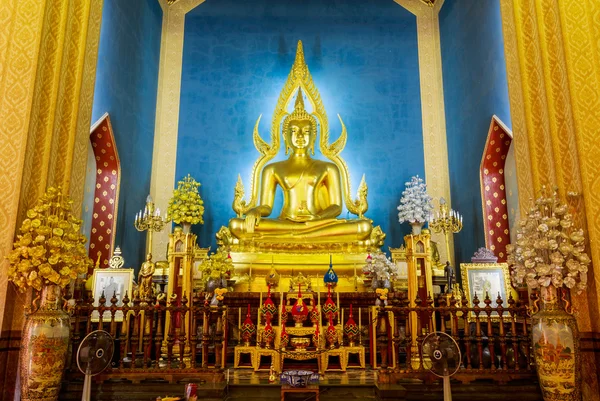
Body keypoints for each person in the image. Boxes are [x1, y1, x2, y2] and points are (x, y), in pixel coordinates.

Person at [229, 89, 372, 243]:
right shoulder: (272, 169)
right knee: (237, 225)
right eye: (294, 131)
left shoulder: (328, 168)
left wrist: (317, 218)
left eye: (306, 131)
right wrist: (255, 210)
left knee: (363, 226)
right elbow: (266, 206)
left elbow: (336, 206)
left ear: (314, 136)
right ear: (285, 136)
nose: (300, 136)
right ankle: (300, 235)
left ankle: (297, 236)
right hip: (285, 223)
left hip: (317, 224)